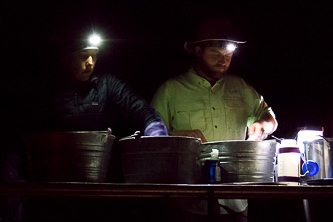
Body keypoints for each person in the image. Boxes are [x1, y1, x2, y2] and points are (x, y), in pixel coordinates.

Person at [151, 18, 278, 221]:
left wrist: (262, 125)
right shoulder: (171, 90)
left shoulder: (242, 88)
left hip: (235, 202)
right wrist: (177, 136)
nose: (223, 60)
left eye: (228, 55)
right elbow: (150, 140)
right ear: (199, 51)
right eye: (216, 54)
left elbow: (270, 118)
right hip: (187, 202)